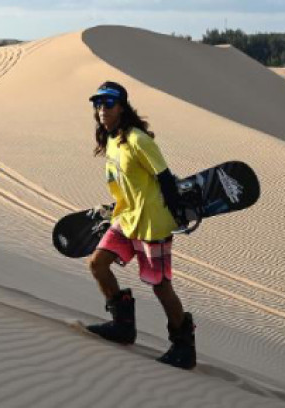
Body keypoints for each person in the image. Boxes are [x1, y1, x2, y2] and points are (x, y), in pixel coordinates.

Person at [86, 81, 196, 369]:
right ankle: (122, 325)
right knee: (98, 264)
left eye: (108, 103)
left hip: (151, 223)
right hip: (126, 218)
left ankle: (183, 346)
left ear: (122, 106)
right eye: (97, 104)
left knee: (161, 287)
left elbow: (165, 178)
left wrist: (178, 212)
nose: (101, 110)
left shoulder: (139, 140)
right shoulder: (111, 140)